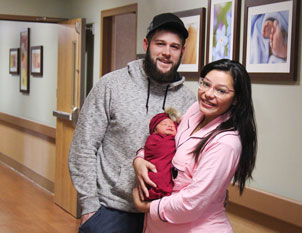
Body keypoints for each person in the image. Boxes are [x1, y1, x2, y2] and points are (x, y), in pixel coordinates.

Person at [68, 12, 196, 233]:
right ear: (146, 44)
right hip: (111, 211)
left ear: (182, 51)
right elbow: (83, 146)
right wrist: (89, 207)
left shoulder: (190, 101)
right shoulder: (111, 85)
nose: (167, 52)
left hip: (164, 215)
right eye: (160, 44)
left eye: (175, 47)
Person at [133, 59, 257, 233]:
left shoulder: (225, 144)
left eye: (221, 90)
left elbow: (191, 203)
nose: (208, 94)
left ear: (236, 99)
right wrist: (139, 159)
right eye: (205, 84)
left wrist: (145, 206)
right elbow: (165, 141)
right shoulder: (195, 111)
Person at [142, 107, 181, 201]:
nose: (170, 126)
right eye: (164, 124)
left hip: (169, 173)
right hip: (155, 170)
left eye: (172, 125)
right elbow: (154, 149)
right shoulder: (154, 139)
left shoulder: (178, 140)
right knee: (157, 177)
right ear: (155, 130)